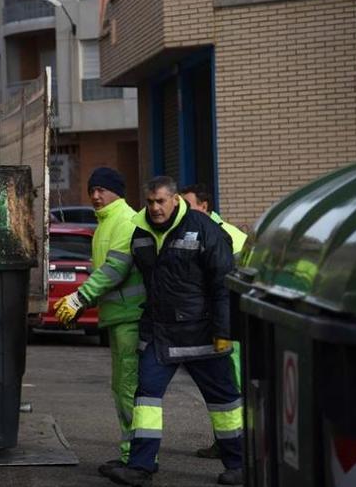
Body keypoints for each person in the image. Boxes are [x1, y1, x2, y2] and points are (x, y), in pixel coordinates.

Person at [107, 176, 243, 486]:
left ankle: (239, 464)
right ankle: (140, 468)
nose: (155, 207)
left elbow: (223, 285)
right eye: (150, 201)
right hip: (160, 334)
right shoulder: (140, 232)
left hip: (203, 334)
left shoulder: (205, 229)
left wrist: (224, 332)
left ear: (175, 201)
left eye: (161, 201)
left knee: (224, 402)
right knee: (146, 400)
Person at [53, 168, 145, 479]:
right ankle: (131, 454)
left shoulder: (125, 221)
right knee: (122, 388)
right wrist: (84, 305)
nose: (95, 195)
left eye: (103, 190)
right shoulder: (105, 224)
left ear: (118, 191)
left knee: (129, 389)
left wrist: (78, 299)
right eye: (93, 190)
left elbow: (114, 271)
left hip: (130, 318)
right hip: (119, 317)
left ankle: (138, 458)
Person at [181, 183, 247, 460]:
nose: (182, 210)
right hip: (215, 321)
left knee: (232, 387)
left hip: (229, 322)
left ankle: (239, 445)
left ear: (204, 206)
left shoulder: (229, 235)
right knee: (224, 389)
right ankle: (227, 442)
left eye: (187, 204)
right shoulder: (195, 233)